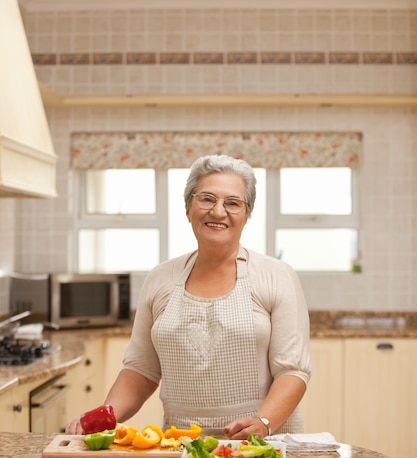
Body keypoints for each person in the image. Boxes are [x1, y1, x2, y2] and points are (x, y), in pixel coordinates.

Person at [66, 154, 311, 438]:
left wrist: (264, 422)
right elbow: (141, 370)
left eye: (232, 203)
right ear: (188, 209)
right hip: (181, 446)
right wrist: (104, 416)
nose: (218, 212)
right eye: (206, 199)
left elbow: (293, 371)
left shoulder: (276, 275)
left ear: (246, 215)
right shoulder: (160, 278)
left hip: (265, 443)